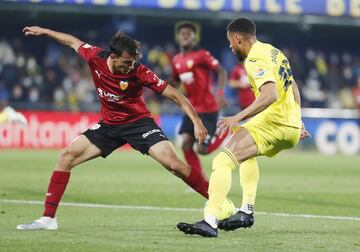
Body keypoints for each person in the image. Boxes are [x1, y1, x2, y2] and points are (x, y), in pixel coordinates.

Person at [17, 26, 210, 230]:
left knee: (175, 166)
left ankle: (218, 201)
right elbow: (72, 40)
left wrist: (197, 122)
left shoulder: (140, 72)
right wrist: (44, 32)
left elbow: (176, 96)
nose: (131, 66)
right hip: (109, 125)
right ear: (113, 56)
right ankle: (48, 219)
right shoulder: (95, 57)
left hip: (139, 124)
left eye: (133, 61)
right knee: (66, 156)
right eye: (127, 62)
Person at [177, 17, 310, 237]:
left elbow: (269, 95)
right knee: (246, 153)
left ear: (238, 38)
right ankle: (246, 210)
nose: (231, 47)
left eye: (231, 42)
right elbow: (293, 85)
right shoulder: (274, 52)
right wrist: (298, 118)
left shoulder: (254, 59)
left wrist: (236, 117)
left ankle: (210, 220)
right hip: (290, 126)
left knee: (223, 160)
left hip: (274, 122)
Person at [172, 21, 228, 182]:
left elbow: (221, 71)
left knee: (202, 149)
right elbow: (176, 82)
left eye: (189, 34)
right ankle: (199, 179)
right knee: (185, 144)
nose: (186, 36)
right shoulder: (176, 60)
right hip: (191, 108)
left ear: (194, 38)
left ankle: (226, 132)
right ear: (178, 37)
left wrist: (220, 93)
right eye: (183, 34)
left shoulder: (202, 55)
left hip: (208, 108)